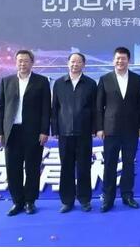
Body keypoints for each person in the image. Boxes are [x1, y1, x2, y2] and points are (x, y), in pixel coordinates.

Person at [0, 49, 51, 216]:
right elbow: (0, 108)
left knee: (32, 168)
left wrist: (44, 131)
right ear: (15, 62)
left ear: (32, 63)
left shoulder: (41, 81)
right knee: (13, 169)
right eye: (20, 60)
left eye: (26, 60)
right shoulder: (6, 81)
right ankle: (17, 202)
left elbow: (46, 109)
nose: (22, 64)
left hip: (33, 132)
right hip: (12, 132)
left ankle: (30, 202)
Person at [95, 47, 140, 212]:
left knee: (129, 164)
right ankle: (108, 199)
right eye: (117, 58)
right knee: (110, 164)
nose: (120, 61)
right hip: (110, 129)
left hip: (131, 129)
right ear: (113, 60)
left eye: (123, 58)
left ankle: (127, 195)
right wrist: (99, 128)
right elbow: (99, 106)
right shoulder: (105, 79)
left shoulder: (137, 79)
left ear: (128, 61)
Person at [50, 52, 97, 213]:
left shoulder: (90, 84)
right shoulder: (59, 83)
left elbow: (95, 109)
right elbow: (55, 108)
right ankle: (67, 201)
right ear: (67, 63)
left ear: (84, 64)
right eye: (72, 61)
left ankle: (84, 200)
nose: (75, 64)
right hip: (64, 133)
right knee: (66, 168)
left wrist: (94, 128)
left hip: (84, 133)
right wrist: (55, 129)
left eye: (78, 62)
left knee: (84, 167)